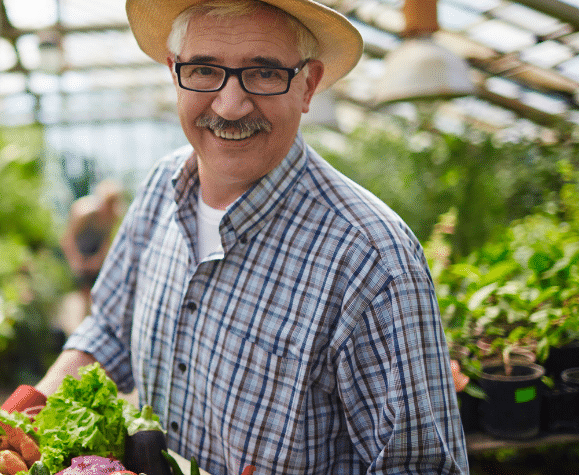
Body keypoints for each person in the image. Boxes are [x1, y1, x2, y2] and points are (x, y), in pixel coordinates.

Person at [32, 0, 470, 473]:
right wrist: (18, 420)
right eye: (203, 70)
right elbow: (108, 333)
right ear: (174, 71)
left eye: (263, 73)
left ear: (309, 84)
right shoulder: (162, 187)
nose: (230, 105)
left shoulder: (371, 261)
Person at [59, 179, 125, 318]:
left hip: (95, 254)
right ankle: (83, 322)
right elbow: (68, 239)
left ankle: (93, 319)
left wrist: (97, 261)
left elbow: (107, 242)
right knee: (84, 294)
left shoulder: (113, 216)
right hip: (79, 251)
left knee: (98, 292)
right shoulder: (83, 213)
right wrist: (76, 261)